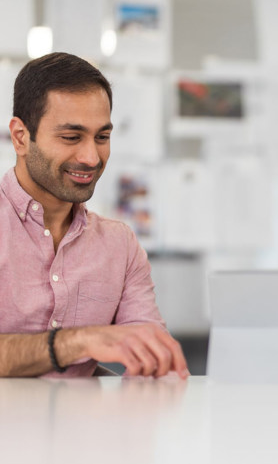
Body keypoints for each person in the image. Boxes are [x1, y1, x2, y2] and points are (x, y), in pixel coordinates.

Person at [0, 52, 189, 378]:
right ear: (21, 137)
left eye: (102, 137)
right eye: (71, 137)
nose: (91, 157)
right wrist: (77, 342)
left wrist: (154, 366)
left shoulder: (120, 245)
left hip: (88, 429)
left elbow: (153, 356)